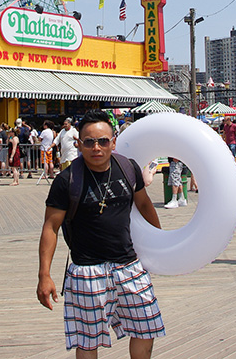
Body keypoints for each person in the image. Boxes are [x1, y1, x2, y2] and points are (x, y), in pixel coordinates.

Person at [36, 109, 165, 358]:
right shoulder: (67, 180)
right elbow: (50, 228)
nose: (97, 147)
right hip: (86, 271)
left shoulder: (127, 168)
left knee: (146, 328)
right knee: (87, 341)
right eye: (90, 142)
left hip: (129, 266)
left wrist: (160, 244)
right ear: (79, 144)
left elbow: (145, 205)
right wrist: (44, 276)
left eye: (103, 141)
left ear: (113, 142)